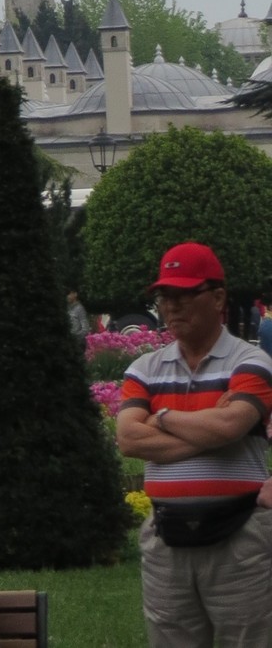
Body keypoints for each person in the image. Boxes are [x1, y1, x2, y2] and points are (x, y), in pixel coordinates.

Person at [116, 241, 272, 648]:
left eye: (186, 294)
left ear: (218, 297)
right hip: (167, 538)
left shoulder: (251, 361)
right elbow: (129, 439)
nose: (172, 306)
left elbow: (231, 426)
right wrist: (213, 431)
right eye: (165, 296)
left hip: (240, 538)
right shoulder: (144, 367)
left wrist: (162, 417)